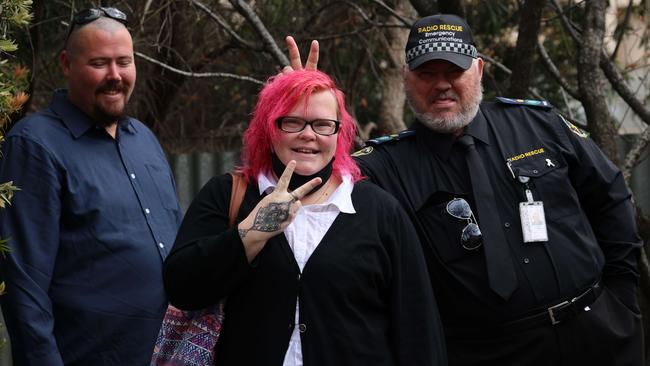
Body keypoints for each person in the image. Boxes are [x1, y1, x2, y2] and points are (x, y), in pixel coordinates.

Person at [288, 14, 645, 366]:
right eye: (427, 73)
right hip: (490, 352)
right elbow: (308, 195)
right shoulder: (384, 167)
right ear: (405, 79)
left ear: (479, 70)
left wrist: (623, 295)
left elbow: (610, 196)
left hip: (599, 333)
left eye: (454, 71)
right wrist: (295, 111)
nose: (441, 84)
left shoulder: (538, 125)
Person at [162, 69, 447, 365]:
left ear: (339, 134)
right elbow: (182, 288)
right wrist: (252, 232)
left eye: (323, 125)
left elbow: (418, 329)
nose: (308, 134)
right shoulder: (228, 195)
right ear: (269, 130)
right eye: (292, 122)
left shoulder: (380, 212)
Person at [0, 7, 182, 365]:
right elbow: (24, 289)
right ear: (67, 64)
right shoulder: (35, 146)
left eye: (124, 62)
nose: (115, 75)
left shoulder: (143, 139)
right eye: (99, 63)